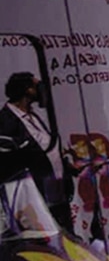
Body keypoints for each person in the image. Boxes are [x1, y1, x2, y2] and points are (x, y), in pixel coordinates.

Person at [0, 72, 65, 213]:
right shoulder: (6, 120)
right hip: (35, 191)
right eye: (37, 86)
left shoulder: (32, 116)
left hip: (54, 187)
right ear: (27, 90)